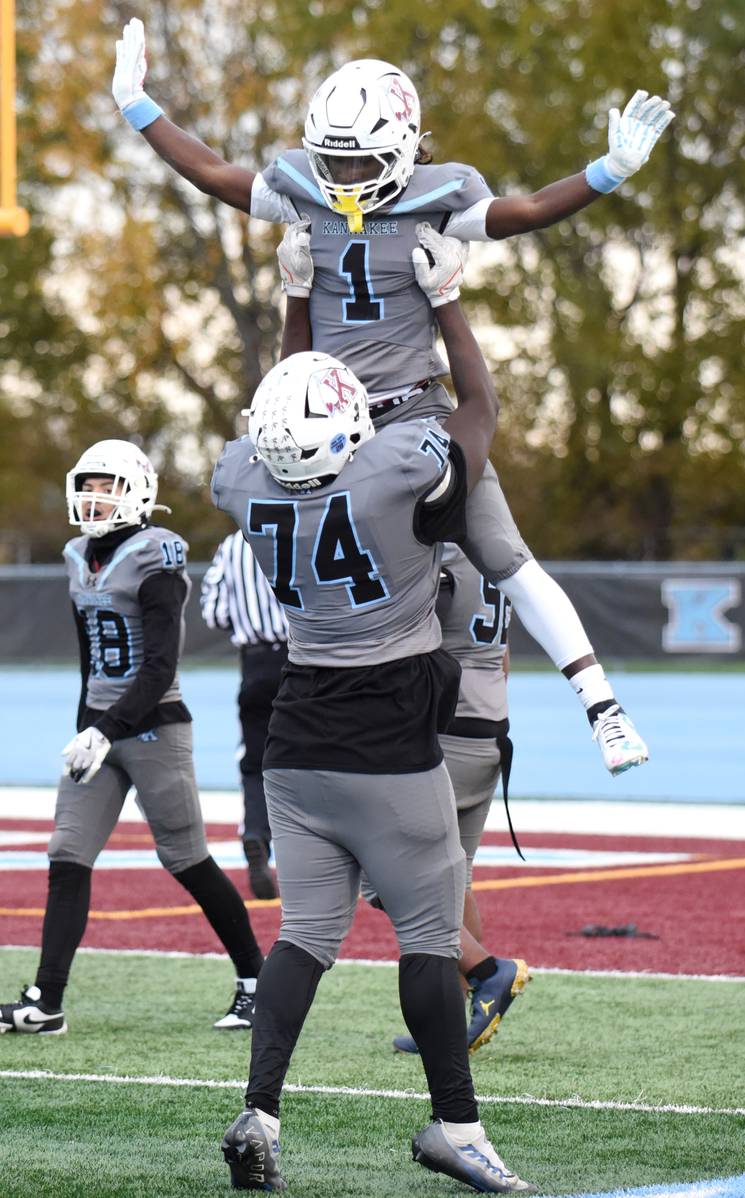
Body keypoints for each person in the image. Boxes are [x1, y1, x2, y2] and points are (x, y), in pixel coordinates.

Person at [112, 20, 672, 775]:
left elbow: (530, 210)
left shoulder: (440, 198)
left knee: (503, 552)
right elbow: (214, 173)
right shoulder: (301, 188)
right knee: (285, 537)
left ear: (406, 143)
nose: (344, 176)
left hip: (412, 410)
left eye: (363, 158)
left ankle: (601, 705)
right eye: (333, 159)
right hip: (317, 422)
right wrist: (138, 107)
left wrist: (606, 171)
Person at [211, 265, 536, 1186]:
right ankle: (456, 1129)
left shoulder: (245, 485)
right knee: (430, 943)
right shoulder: (396, 473)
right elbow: (478, 408)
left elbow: (271, 422)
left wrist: (290, 300)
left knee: (306, 939)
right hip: (390, 736)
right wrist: (445, 300)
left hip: (298, 737)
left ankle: (261, 1111)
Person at [0, 441, 264, 1036]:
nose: (95, 497)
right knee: (67, 856)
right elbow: (89, 660)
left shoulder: (156, 557)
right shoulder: (75, 556)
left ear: (138, 492)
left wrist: (104, 728)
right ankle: (47, 1001)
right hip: (99, 731)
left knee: (187, 859)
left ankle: (255, 978)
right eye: (88, 485)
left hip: (153, 728)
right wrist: (85, 727)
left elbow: (158, 668)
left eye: (108, 486)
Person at [384, 542, 528, 1056]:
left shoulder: (436, 554)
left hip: (445, 729)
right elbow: (504, 656)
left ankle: (490, 973)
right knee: (456, 874)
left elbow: (405, 642)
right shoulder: (494, 551)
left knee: (381, 877)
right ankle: (461, 1018)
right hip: (490, 728)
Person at [201, 529, 289, 899]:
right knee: (321, 755)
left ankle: (256, 833)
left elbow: (214, 612)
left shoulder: (233, 544)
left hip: (254, 664)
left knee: (255, 762)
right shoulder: (304, 527)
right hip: (305, 657)